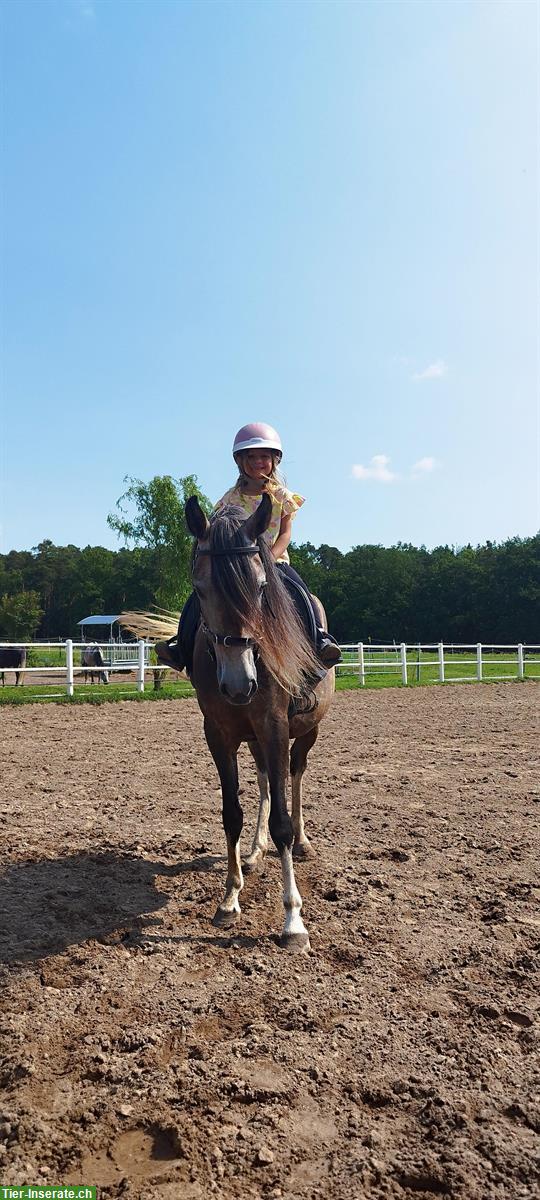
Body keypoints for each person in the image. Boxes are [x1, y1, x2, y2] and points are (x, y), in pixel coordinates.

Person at [156, 422, 341, 674]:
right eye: (251, 456)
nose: (258, 462)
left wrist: (269, 560)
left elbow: (285, 534)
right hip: (235, 568)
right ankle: (181, 647)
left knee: (302, 595)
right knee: (197, 599)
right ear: (240, 461)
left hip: (276, 564)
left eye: (264, 456)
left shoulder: (283, 497)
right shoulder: (229, 499)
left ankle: (319, 641)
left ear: (274, 460)